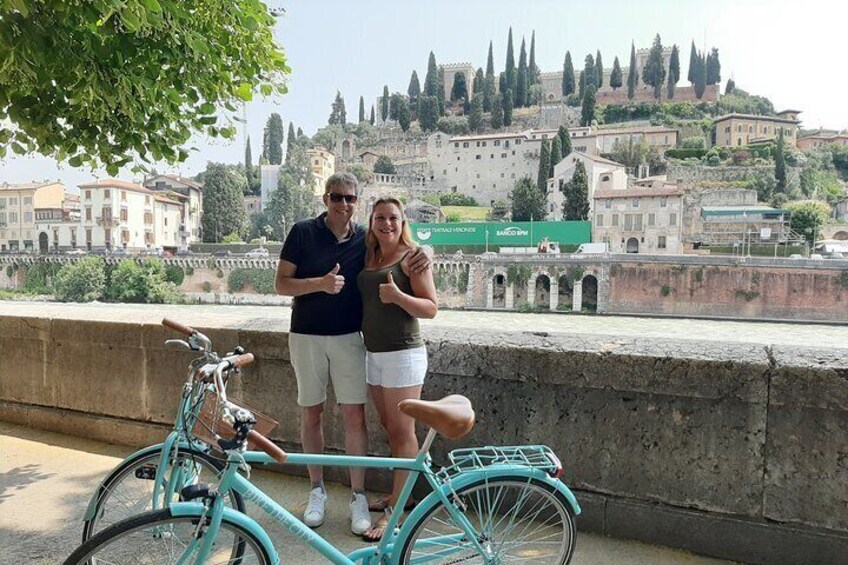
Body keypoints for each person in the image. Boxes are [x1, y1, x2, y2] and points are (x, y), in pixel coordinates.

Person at [275, 173, 431, 535]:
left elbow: (403, 248)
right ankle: (317, 490)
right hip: (306, 335)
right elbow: (281, 284)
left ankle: (358, 495)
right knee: (310, 413)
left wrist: (427, 251)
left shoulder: (365, 237)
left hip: (350, 338)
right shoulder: (301, 232)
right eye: (336, 197)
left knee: (355, 418)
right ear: (325, 199)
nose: (342, 204)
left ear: (356, 202)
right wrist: (319, 284)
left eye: (349, 198)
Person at [357, 196, 438, 542]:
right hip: (374, 354)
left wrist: (400, 298)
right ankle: (397, 493)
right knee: (391, 428)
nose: (386, 224)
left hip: (403, 355)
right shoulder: (370, 254)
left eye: (393, 218)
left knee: (404, 433)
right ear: (372, 221)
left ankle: (397, 514)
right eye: (380, 218)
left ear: (403, 222)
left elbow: (431, 308)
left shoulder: (412, 258)